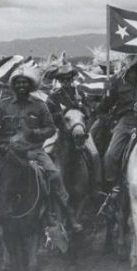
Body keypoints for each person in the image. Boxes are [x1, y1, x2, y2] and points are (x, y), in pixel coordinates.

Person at [0, 63, 82, 232]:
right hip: (8, 152)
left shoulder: (40, 105)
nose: (21, 85)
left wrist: (34, 133)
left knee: (54, 175)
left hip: (34, 151)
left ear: (30, 85)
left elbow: (51, 128)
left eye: (24, 82)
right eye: (18, 82)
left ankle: (68, 215)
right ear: (13, 85)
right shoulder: (3, 106)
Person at [96, 56, 137, 216]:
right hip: (126, 121)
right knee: (110, 155)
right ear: (134, 64)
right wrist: (104, 99)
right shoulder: (116, 81)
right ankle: (113, 190)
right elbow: (104, 107)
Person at [46, 59, 102, 191]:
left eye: (68, 78)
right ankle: (46, 186)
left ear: (72, 78)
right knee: (46, 151)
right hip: (59, 130)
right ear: (59, 80)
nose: (66, 81)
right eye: (63, 79)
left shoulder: (80, 93)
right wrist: (63, 113)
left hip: (79, 129)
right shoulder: (53, 97)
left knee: (94, 154)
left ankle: (96, 186)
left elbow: (89, 112)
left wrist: (81, 106)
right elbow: (49, 116)